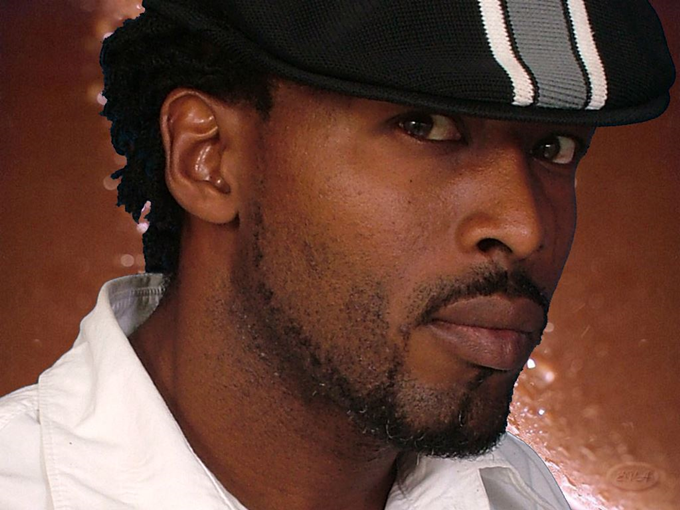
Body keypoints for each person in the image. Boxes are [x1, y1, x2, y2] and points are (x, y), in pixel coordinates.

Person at [0, 1, 674, 509]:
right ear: (209, 159)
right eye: (424, 127)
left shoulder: (517, 497)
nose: (526, 228)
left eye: (554, 147)